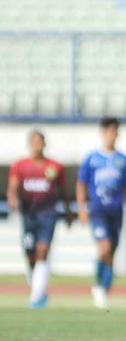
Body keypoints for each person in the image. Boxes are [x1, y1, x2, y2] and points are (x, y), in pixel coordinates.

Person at [76, 117, 126, 310]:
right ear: (103, 133)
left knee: (111, 254)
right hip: (98, 210)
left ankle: (104, 289)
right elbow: (81, 184)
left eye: (116, 131)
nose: (114, 135)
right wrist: (81, 208)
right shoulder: (92, 158)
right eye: (111, 131)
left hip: (116, 212)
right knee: (104, 247)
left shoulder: (123, 160)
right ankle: (97, 285)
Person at [7, 130, 73, 308]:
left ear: (44, 144)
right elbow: (13, 187)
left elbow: (63, 191)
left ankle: (36, 298)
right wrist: (12, 200)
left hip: (48, 214)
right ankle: (39, 287)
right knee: (30, 255)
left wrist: (68, 211)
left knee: (43, 251)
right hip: (28, 215)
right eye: (34, 142)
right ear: (30, 144)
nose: (37, 145)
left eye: (40, 142)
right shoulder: (20, 165)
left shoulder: (55, 167)